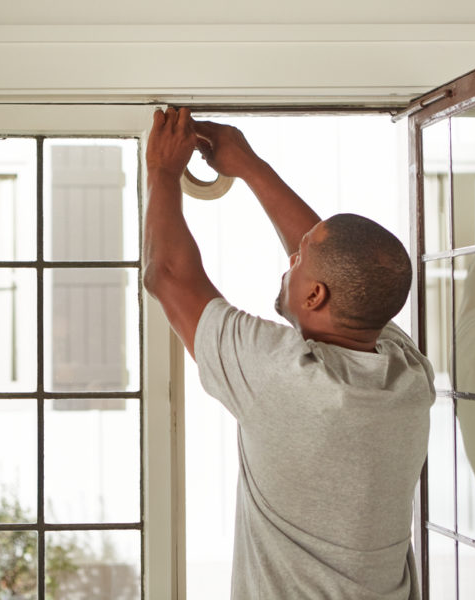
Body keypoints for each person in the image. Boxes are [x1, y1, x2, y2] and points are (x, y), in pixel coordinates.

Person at [143, 107, 435, 599]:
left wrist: (161, 170)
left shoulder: (286, 380)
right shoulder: (407, 374)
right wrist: (249, 165)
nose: (291, 256)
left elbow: (167, 275)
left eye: (298, 259)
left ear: (315, 297)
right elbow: (345, 270)